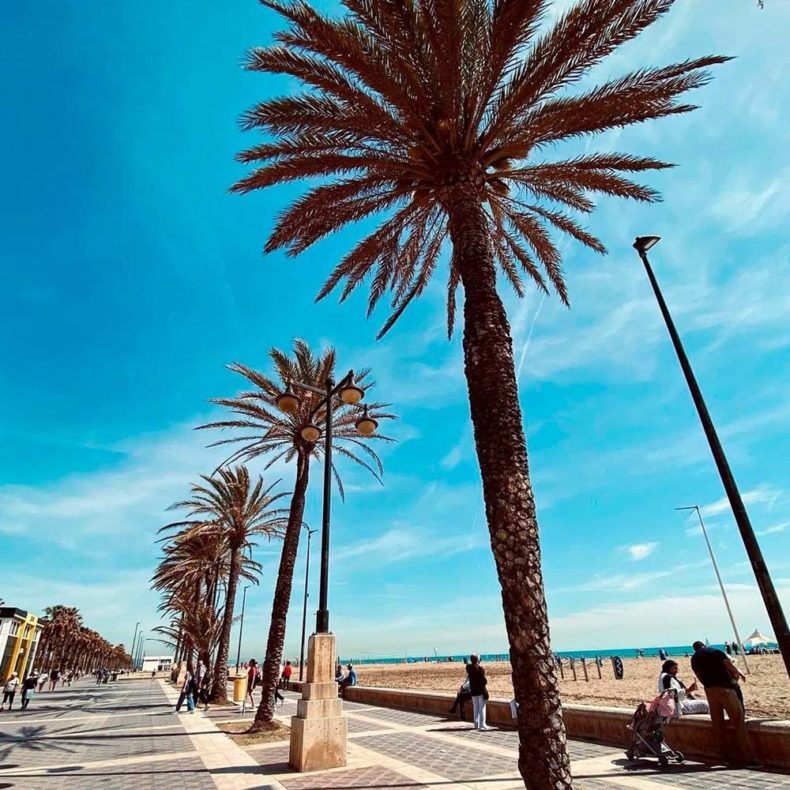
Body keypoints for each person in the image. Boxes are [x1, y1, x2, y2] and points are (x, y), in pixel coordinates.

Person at [690, 640, 757, 766]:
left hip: (709, 690)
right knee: (738, 722)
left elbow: (698, 676)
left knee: (717, 723)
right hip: (725, 688)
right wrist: (734, 681)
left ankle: (723, 755)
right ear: (704, 645)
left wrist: (707, 684)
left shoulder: (694, 658)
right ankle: (749, 758)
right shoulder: (716, 652)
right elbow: (731, 667)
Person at [467, 654, 489, 731]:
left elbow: (470, 666)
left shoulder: (469, 668)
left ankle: (476, 724)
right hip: (480, 691)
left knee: (475, 708)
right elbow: (484, 681)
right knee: (482, 708)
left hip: (473, 691)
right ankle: (482, 724)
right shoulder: (480, 669)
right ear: (478, 660)